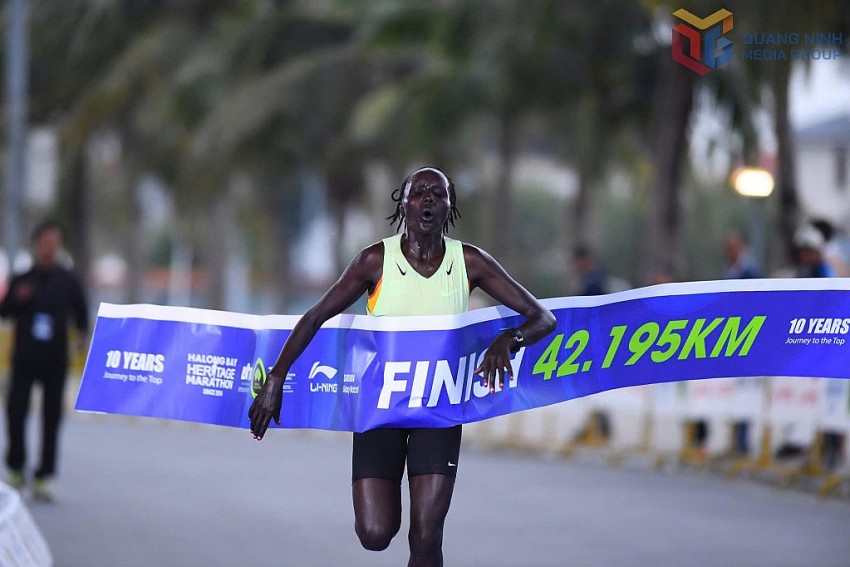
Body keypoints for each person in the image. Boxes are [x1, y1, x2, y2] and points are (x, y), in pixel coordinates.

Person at [249, 167, 556, 566]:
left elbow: (542, 317)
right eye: (419, 192)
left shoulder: (470, 262)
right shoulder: (375, 261)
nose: (428, 199)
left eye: (438, 194)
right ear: (403, 203)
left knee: (427, 535)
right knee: (375, 533)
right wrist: (276, 376)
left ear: (449, 207)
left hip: (439, 410)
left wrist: (508, 340)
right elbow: (313, 317)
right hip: (382, 409)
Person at [0, 219, 89, 501]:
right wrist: (18, 298)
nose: (50, 248)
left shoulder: (69, 280)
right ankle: (16, 469)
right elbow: (4, 312)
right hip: (25, 358)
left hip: (55, 361)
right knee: (16, 412)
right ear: (37, 244)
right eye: (45, 242)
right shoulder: (22, 278)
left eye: (55, 242)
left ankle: (43, 476)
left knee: (52, 418)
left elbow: (82, 315)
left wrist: (81, 339)